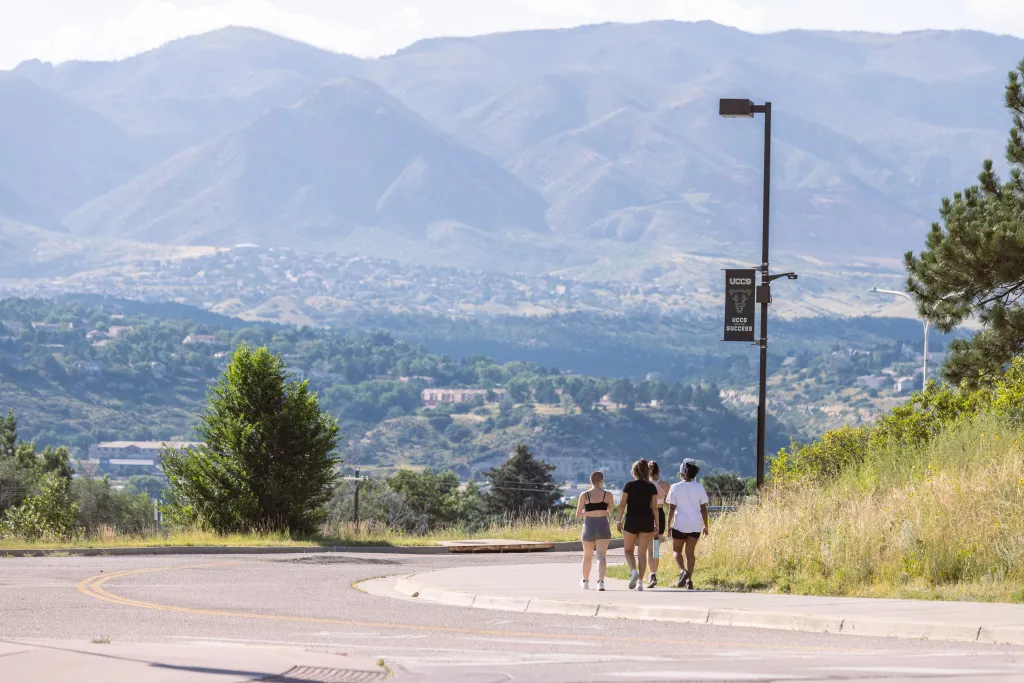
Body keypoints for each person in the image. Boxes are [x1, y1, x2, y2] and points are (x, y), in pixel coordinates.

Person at [665, 458, 709, 589]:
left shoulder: (675, 487)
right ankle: (689, 580)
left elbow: (671, 508)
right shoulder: (699, 487)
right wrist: (706, 525)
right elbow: (703, 508)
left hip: (680, 525)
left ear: (682, 473)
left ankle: (683, 571)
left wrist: (668, 526)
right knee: (690, 553)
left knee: (676, 551)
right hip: (695, 525)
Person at [616, 458, 659, 591]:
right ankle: (640, 582)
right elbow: (655, 508)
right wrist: (656, 524)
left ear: (634, 471)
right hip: (647, 521)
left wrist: (618, 520)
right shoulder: (651, 487)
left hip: (631, 520)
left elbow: (622, 505)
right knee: (642, 553)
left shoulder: (628, 485)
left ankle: (633, 571)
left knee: (628, 550)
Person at [575, 471, 613, 591]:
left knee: (587, 555)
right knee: (601, 555)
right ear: (602, 481)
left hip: (589, 526)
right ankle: (601, 582)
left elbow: (578, 514)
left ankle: (585, 581)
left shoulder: (584, 495)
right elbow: (611, 510)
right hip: (603, 525)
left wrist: (586, 512)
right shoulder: (608, 495)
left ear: (590, 481)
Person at [646, 461, 671, 588]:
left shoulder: (646, 485)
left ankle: (652, 574)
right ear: (658, 471)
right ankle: (654, 572)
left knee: (649, 548)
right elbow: (669, 505)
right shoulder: (666, 485)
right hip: (660, 514)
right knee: (656, 547)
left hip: (648, 514)